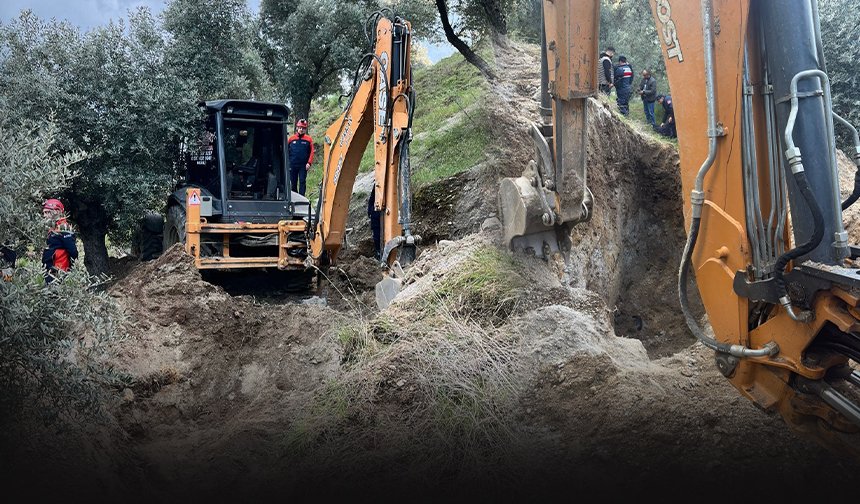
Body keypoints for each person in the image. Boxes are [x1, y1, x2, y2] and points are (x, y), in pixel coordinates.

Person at [41, 198, 78, 283]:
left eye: (47, 212)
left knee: (55, 294)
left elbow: (73, 251)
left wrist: (68, 269)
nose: (45, 215)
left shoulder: (64, 228)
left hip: (59, 270)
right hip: (50, 269)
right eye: (44, 213)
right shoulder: (52, 227)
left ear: (57, 211)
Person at [287, 118, 315, 196]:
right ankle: (295, 198)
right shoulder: (291, 139)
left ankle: (302, 197)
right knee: (293, 182)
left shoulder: (308, 139)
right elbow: (287, 152)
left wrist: (309, 163)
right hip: (292, 164)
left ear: (305, 129)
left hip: (303, 165)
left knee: (302, 181)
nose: (301, 130)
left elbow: (312, 152)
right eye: (300, 128)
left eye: (303, 128)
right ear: (297, 128)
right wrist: (287, 163)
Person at [367, 190, 382, 260]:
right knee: (377, 235)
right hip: (376, 214)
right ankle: (378, 251)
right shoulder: (377, 185)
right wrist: (370, 211)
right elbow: (372, 198)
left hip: (380, 213)